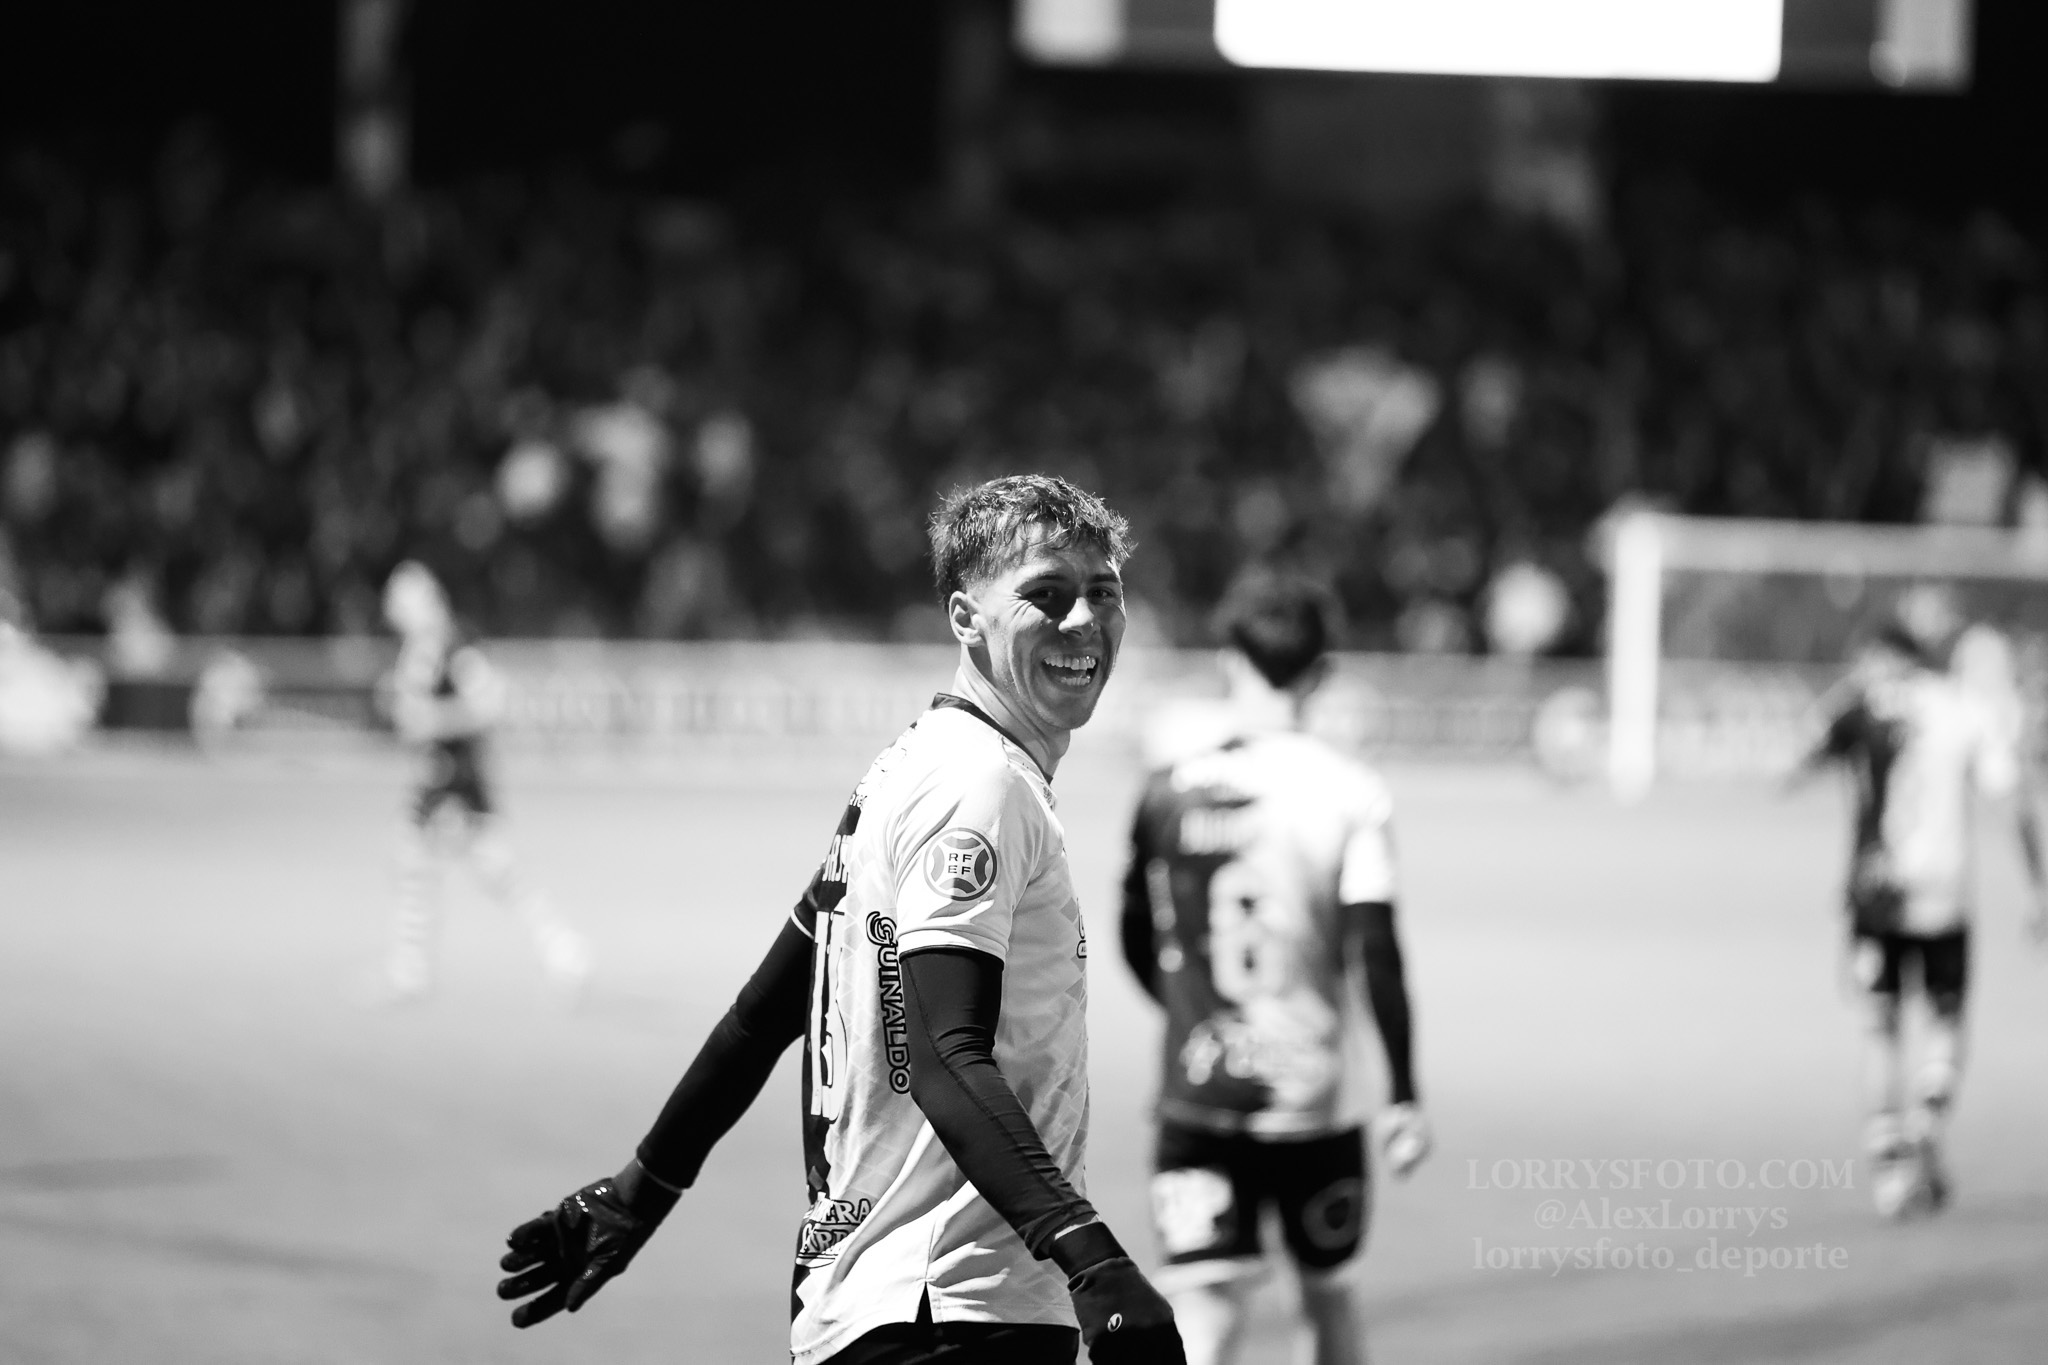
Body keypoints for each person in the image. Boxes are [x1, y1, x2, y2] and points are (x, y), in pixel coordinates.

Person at [495, 475, 1186, 1365]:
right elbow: (946, 1056)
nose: (1084, 621)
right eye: (1047, 595)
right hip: (952, 1305)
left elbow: (764, 1013)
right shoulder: (979, 784)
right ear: (966, 618)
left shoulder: (904, 771)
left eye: (1103, 592)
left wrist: (640, 1191)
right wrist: (1092, 1257)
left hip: (874, 1306)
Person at [1118, 571, 1428, 1365]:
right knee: (1326, 1296)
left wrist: (1187, 1013)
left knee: (1205, 1308)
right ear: (1322, 672)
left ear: (1230, 660)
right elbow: (1376, 950)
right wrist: (1402, 1090)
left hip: (1200, 1088)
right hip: (1313, 1098)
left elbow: (1134, 932)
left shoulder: (1168, 790)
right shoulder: (1352, 791)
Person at [1789, 608, 2048, 1218]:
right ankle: (1927, 1126)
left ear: (1878, 655)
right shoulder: (1963, 708)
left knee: (1880, 1026)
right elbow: (2012, 800)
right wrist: (2038, 886)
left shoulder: (1862, 702)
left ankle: (1889, 1171)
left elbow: (1803, 755)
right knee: (1946, 1016)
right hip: (1945, 891)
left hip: (1876, 889)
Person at [376, 560, 588, 1003]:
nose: (391, 606)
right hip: (436, 776)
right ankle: (559, 948)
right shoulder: (420, 648)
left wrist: (432, 720)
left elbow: (489, 703)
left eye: (400, 596)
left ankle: (561, 948)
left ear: (427, 597)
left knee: (474, 865)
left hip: (457, 779)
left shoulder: (453, 645)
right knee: (433, 860)